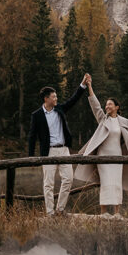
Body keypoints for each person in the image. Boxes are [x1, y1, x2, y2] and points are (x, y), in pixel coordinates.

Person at [74, 75, 128, 218]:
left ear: (117, 107)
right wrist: (89, 86)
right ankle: (104, 212)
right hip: (103, 157)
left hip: (117, 157)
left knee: (117, 182)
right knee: (105, 182)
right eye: (106, 104)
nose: (107, 106)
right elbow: (95, 105)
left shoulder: (125, 122)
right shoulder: (102, 119)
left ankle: (117, 213)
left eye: (110, 104)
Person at [27, 74, 90, 216]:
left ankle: (60, 209)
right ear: (46, 99)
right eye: (54, 97)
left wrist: (83, 85)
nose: (56, 99)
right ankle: (50, 213)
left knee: (68, 179)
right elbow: (32, 137)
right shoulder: (36, 115)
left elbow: (73, 100)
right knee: (48, 183)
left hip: (63, 150)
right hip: (48, 152)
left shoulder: (60, 109)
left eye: (56, 97)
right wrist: (31, 156)